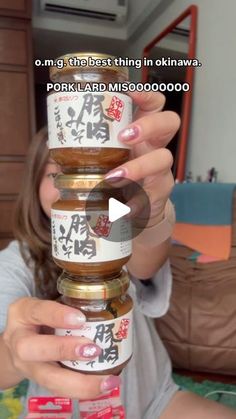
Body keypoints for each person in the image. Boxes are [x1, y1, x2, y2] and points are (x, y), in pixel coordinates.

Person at [0, 91, 235, 419]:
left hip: (156, 400)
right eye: (57, 174)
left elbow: (147, 252)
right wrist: (13, 355)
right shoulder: (18, 262)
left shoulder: (118, 234)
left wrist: (153, 211)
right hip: (59, 411)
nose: (81, 190)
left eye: (95, 178)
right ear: (34, 184)